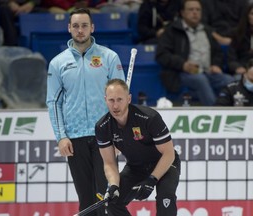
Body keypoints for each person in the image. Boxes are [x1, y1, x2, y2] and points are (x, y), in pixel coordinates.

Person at [46, 8, 125, 216]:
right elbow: (53, 103)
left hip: (105, 137)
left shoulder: (109, 57)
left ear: (92, 27)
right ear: (69, 28)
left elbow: (121, 101)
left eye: (84, 25)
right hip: (75, 139)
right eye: (75, 26)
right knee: (86, 202)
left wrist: (119, 135)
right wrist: (61, 136)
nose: (80, 30)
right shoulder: (58, 63)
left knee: (107, 199)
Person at [95, 79, 180, 216]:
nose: (115, 105)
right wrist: (114, 185)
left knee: (166, 197)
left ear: (129, 99)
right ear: (105, 100)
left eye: (119, 99)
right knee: (112, 202)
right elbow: (109, 163)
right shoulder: (102, 127)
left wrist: (152, 180)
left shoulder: (149, 117)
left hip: (165, 164)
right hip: (136, 167)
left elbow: (169, 154)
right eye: (111, 100)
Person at [156, 0, 234, 106]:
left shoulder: (207, 30)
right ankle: (215, 112)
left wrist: (215, 64)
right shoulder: (172, 30)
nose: (195, 12)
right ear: (182, 12)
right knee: (200, 80)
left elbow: (218, 53)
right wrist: (183, 64)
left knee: (230, 80)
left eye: (198, 10)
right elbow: (162, 55)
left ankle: (232, 113)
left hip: (208, 72)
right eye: (191, 9)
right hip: (181, 73)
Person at [227, 3, 253, 78]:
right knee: (239, 78)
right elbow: (231, 58)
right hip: (244, 69)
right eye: (252, 14)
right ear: (247, 16)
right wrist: (237, 67)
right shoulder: (237, 34)